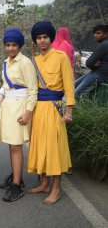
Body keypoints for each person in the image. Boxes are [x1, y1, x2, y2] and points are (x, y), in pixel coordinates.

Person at [27, 21, 75, 204]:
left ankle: (56, 189)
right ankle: (44, 183)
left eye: (45, 37)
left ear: (51, 38)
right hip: (38, 108)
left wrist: (69, 110)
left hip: (55, 108)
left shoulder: (61, 56)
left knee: (54, 148)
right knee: (40, 146)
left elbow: (69, 85)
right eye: (38, 38)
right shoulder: (34, 60)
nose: (42, 41)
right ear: (35, 40)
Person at [0, 28, 38, 202]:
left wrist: (28, 112)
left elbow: (33, 89)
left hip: (20, 107)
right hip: (8, 106)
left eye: (14, 45)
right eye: (8, 45)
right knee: (11, 144)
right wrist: (1, 93)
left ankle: (17, 185)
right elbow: (7, 85)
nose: (11, 48)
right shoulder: (6, 62)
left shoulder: (25, 62)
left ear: (20, 45)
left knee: (16, 146)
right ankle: (15, 176)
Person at [74, 24, 108, 97]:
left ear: (106, 34)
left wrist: (94, 65)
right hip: (98, 73)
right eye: (94, 33)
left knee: (75, 93)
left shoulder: (104, 45)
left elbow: (88, 63)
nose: (95, 35)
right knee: (74, 85)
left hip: (99, 74)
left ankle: (63, 107)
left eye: (98, 33)